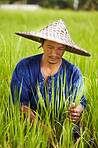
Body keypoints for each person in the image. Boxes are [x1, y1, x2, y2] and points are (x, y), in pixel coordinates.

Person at [10, 19, 91, 141]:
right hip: (28, 124)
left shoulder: (73, 72)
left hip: (64, 126)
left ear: (65, 49)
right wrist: (40, 127)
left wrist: (76, 111)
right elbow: (19, 103)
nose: (54, 53)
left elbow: (81, 102)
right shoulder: (25, 66)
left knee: (89, 141)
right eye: (50, 46)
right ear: (42, 43)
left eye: (60, 48)